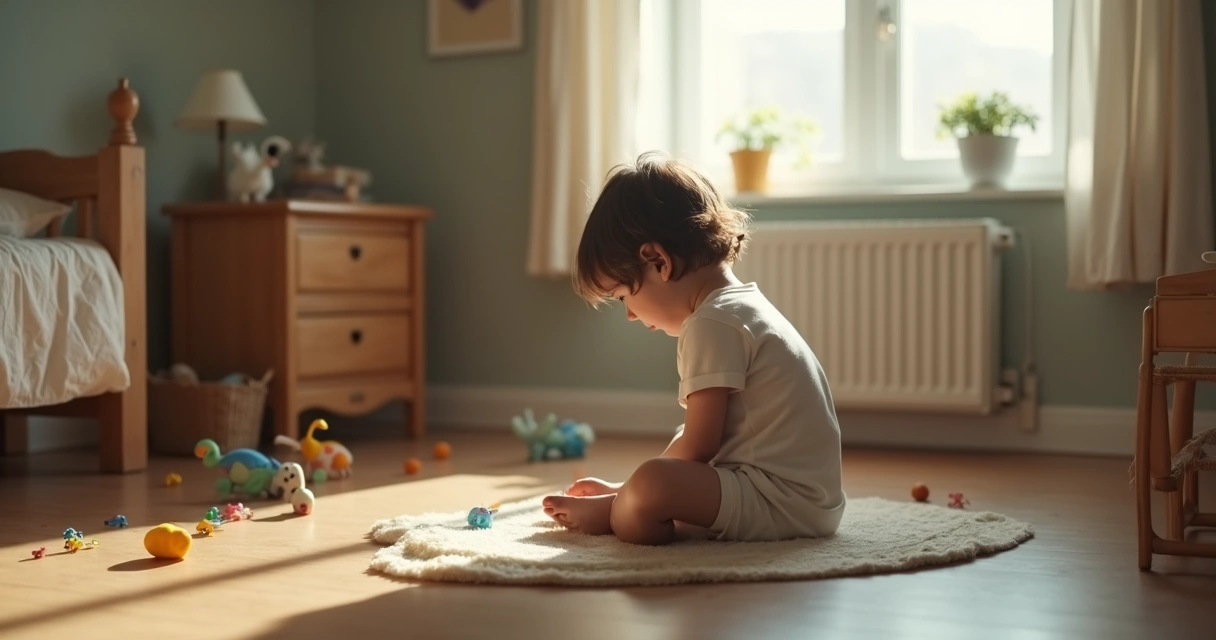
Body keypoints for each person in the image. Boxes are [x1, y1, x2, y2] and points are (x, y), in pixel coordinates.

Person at [542, 152, 846, 545]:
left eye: (622, 297)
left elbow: (700, 446)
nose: (630, 315)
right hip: (809, 503)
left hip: (776, 502)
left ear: (658, 261)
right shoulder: (742, 308)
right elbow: (698, 437)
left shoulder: (710, 322)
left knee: (652, 484)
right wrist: (628, 485)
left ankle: (615, 512)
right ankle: (625, 498)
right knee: (659, 467)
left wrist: (632, 492)